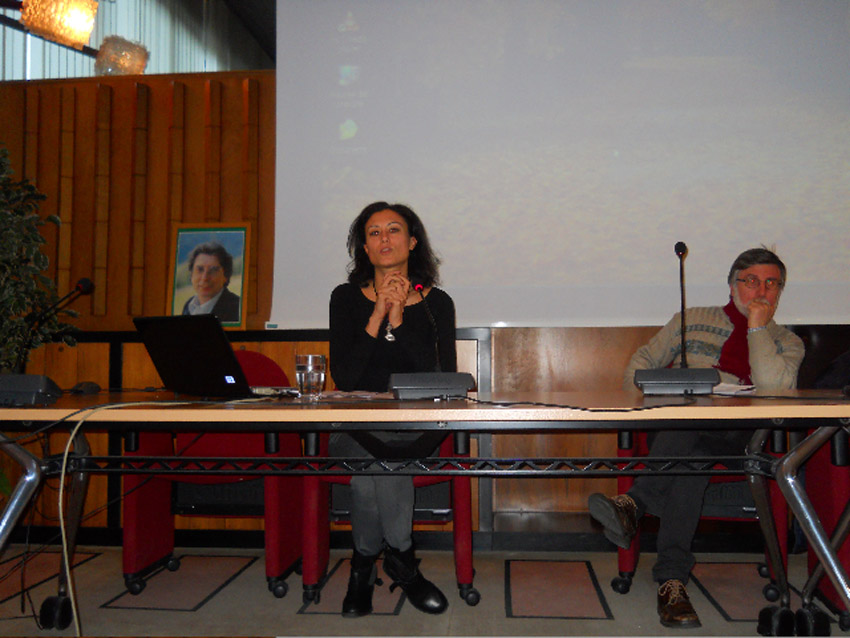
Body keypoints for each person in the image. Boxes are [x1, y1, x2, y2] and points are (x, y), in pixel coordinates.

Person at [588, 247, 804, 629]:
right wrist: (642, 405)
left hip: (740, 436)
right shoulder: (691, 320)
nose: (761, 291)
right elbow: (642, 361)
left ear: (780, 292)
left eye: (771, 284)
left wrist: (756, 327)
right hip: (681, 428)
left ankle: (634, 504)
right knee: (690, 454)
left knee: (689, 446)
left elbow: (774, 388)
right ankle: (671, 581)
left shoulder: (787, 342)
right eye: (751, 281)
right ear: (732, 285)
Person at [329, 201, 457, 618]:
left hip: (416, 425)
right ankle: (402, 560)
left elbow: (442, 379)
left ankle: (363, 565)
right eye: (374, 232)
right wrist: (377, 314)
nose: (384, 238)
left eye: (394, 229)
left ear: (412, 242)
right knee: (379, 462)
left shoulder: (438, 304)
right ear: (365, 249)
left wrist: (399, 319)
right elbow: (345, 378)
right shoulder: (345, 299)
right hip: (355, 425)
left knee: (380, 463)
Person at [180, 241, 241, 322]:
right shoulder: (188, 306)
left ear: (225, 276)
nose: (205, 278)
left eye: (213, 270)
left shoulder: (238, 308)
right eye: (200, 269)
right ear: (191, 275)